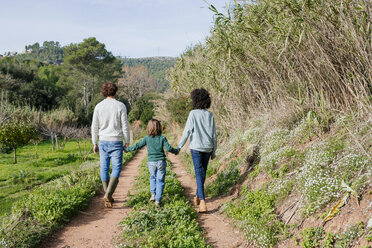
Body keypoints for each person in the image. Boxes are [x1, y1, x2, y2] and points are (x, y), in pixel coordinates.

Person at [177, 88, 217, 213]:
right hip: (207, 147)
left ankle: (203, 202)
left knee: (199, 172)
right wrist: (214, 151)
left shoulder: (193, 114)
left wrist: (179, 146)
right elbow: (214, 134)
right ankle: (197, 196)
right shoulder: (210, 115)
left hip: (196, 147)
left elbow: (187, 131)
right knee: (202, 172)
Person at [91, 82, 130, 208]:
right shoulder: (121, 106)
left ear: (104, 92)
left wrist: (94, 142)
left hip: (102, 140)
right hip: (116, 141)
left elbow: (94, 126)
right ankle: (108, 194)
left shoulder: (98, 106)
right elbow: (125, 125)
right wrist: (127, 141)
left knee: (104, 168)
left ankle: (108, 194)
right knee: (117, 168)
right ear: (115, 91)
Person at [125, 119, 179, 206]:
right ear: (159, 128)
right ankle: (158, 200)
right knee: (160, 180)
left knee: (152, 177)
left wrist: (127, 149)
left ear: (149, 128)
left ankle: (153, 194)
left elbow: (137, 145)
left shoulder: (147, 138)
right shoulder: (162, 138)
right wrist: (176, 151)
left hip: (151, 162)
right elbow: (168, 148)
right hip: (161, 161)